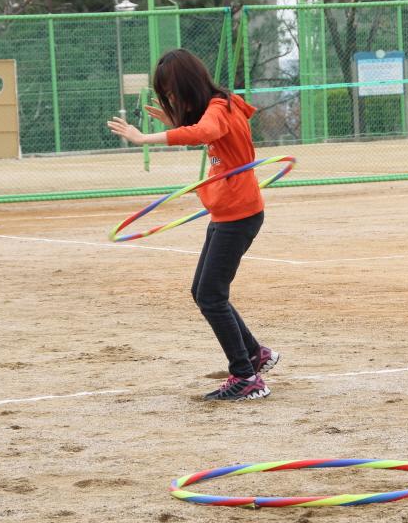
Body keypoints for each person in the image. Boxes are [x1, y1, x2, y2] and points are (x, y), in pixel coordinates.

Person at [107, 49, 279, 401]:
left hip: (238, 214)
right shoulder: (220, 105)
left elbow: (206, 131)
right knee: (202, 291)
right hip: (227, 212)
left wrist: (145, 139)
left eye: (172, 93)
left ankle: (246, 377)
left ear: (188, 86)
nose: (171, 100)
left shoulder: (219, 108)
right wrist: (174, 122)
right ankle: (254, 354)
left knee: (212, 296)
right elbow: (209, 132)